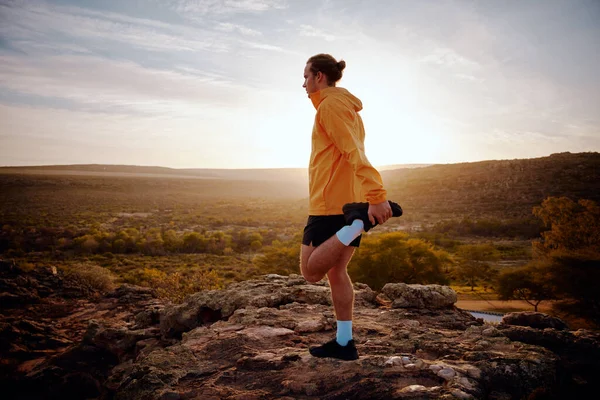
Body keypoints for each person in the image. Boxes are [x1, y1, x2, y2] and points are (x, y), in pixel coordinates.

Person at [300, 53, 402, 361]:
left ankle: (358, 224)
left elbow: (353, 151)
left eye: (306, 76)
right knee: (337, 272)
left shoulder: (330, 106)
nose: (303, 84)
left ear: (320, 76)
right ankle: (345, 342)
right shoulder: (344, 106)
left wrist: (376, 195)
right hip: (345, 200)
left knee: (311, 271)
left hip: (331, 204)